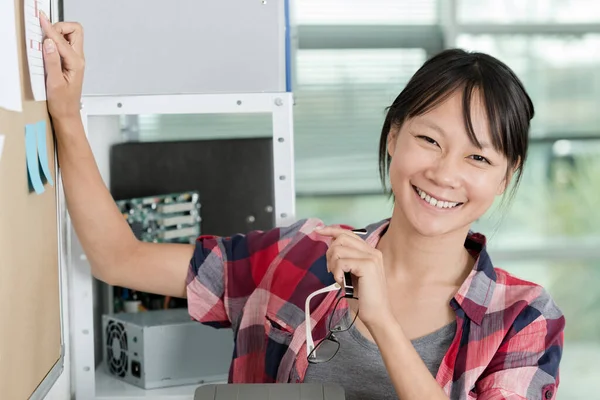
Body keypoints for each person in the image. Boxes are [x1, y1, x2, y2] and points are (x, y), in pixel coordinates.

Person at [40, 12, 564, 400]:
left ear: (506, 175)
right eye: (429, 140)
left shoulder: (523, 318)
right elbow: (118, 259)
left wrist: (380, 321)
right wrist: (66, 115)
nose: (445, 174)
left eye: (477, 156)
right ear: (393, 136)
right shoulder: (300, 255)